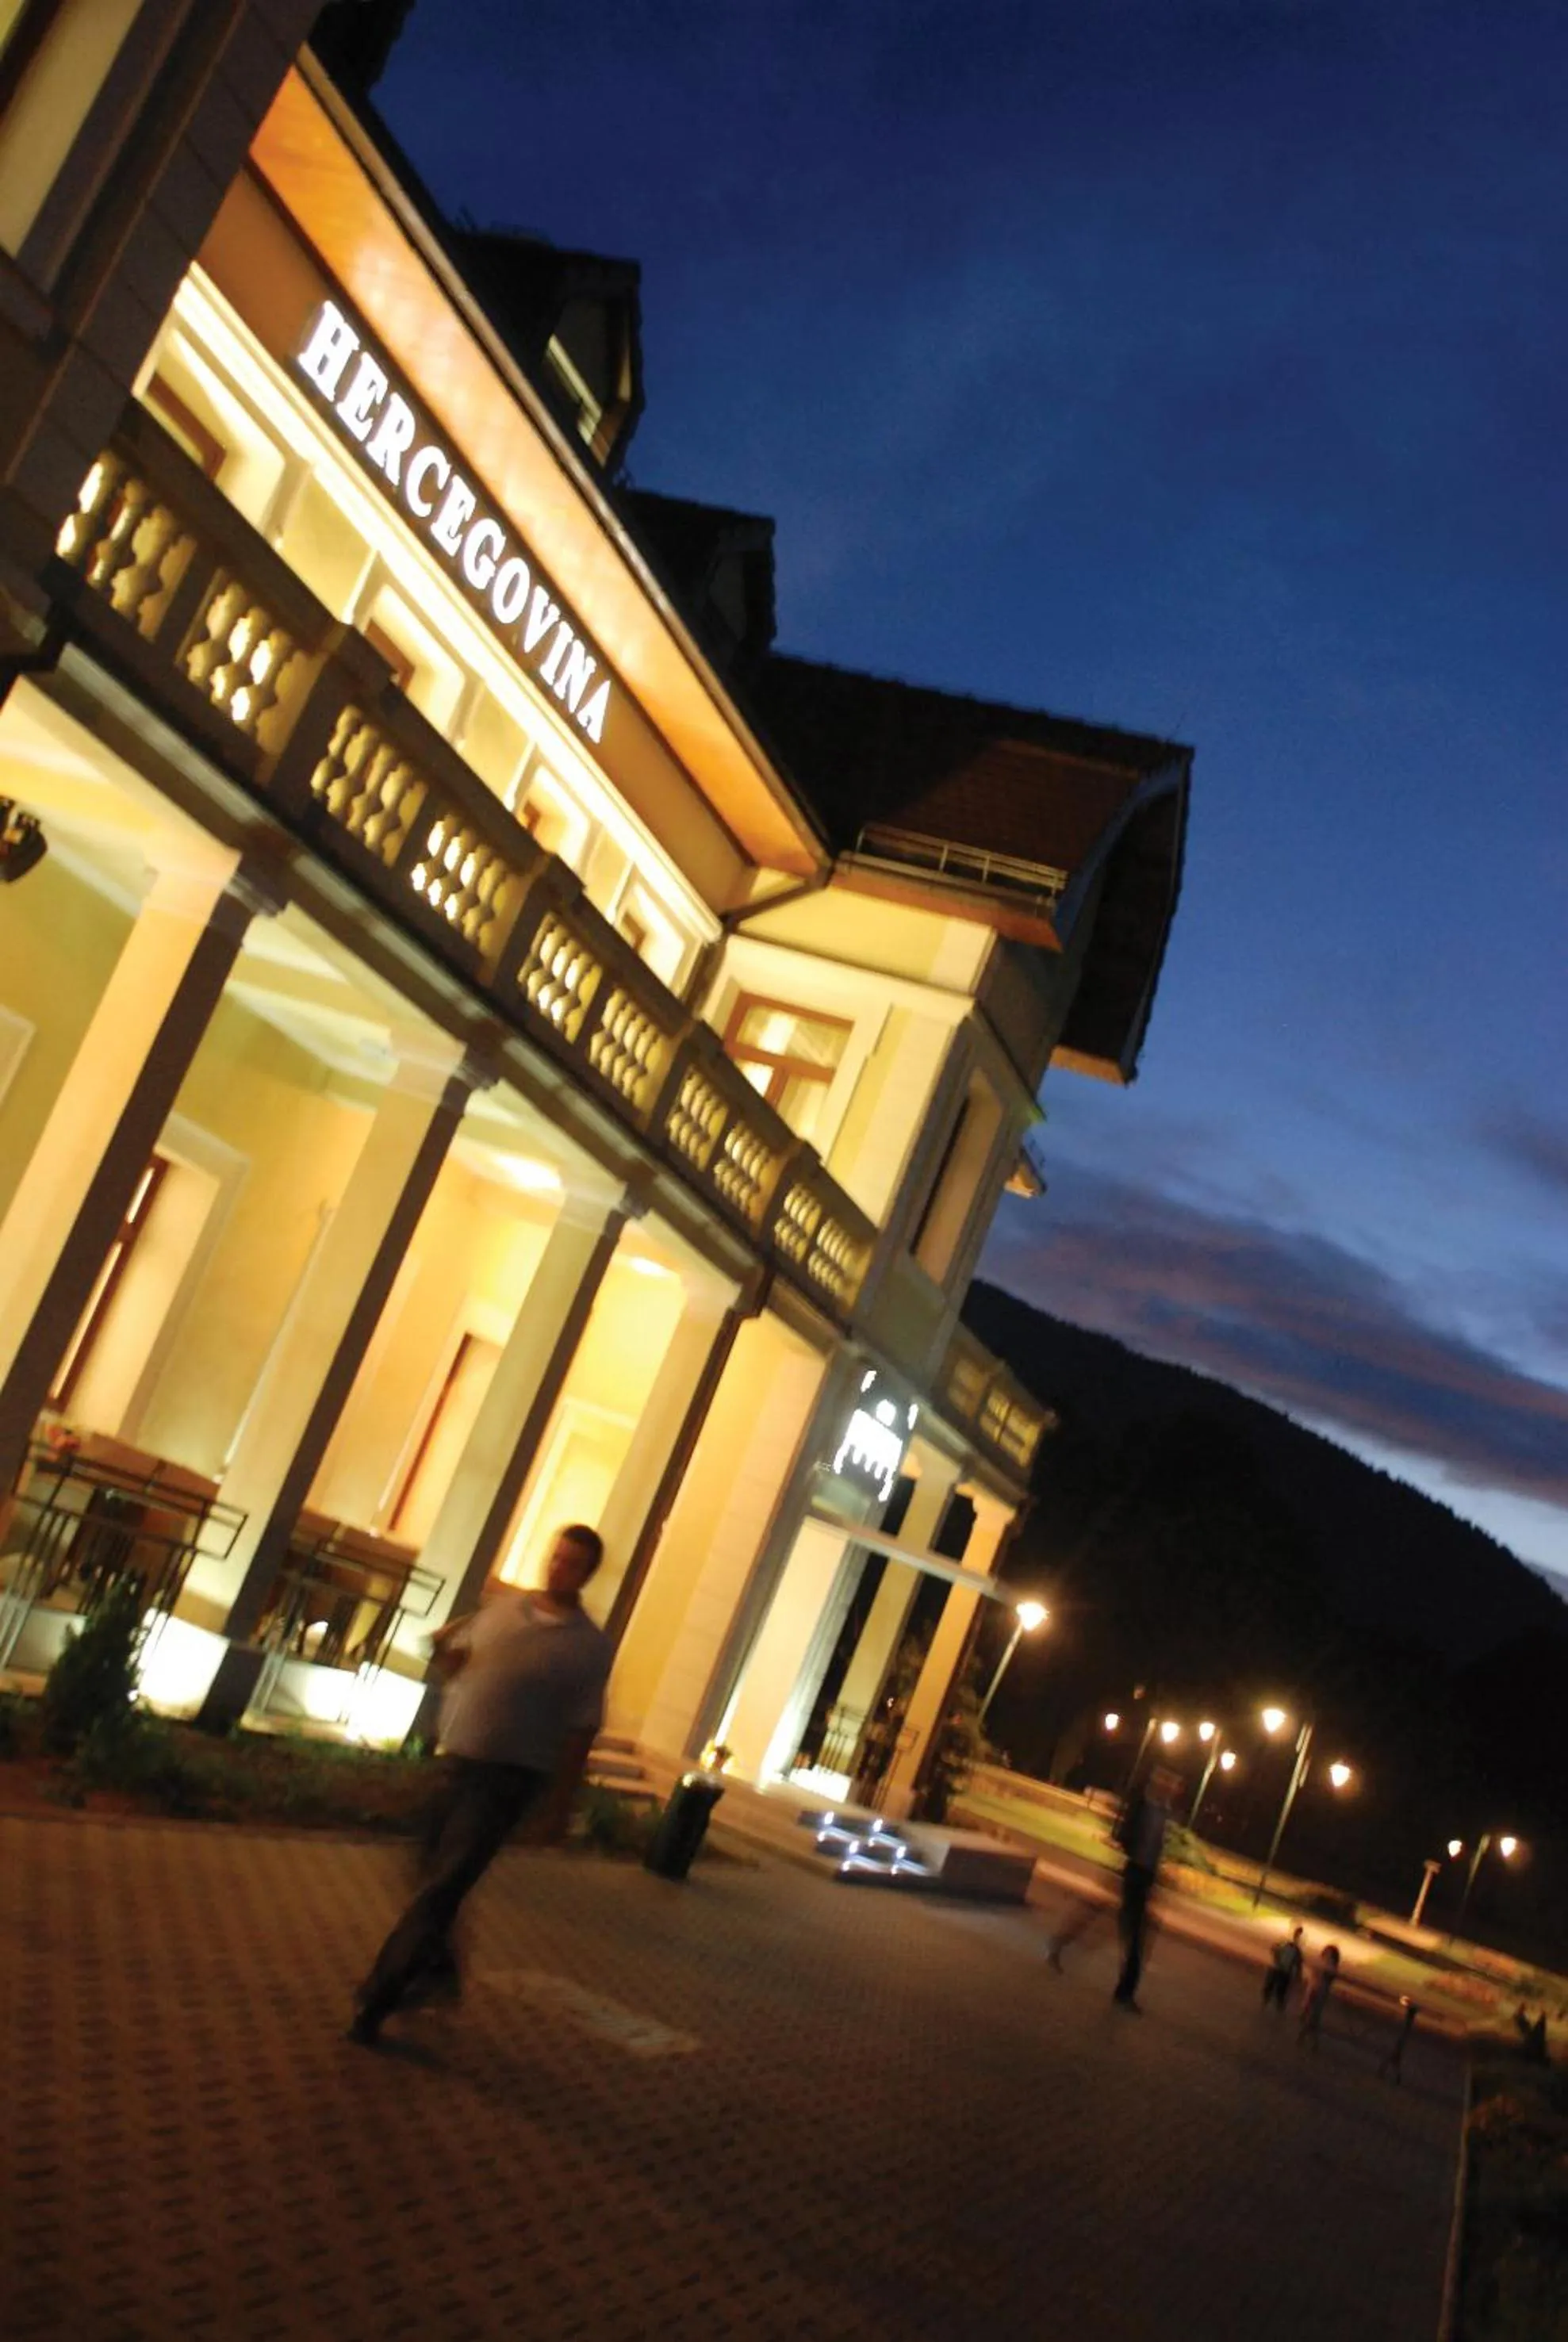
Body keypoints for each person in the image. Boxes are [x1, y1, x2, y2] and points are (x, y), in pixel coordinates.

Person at [347, 1524, 611, 2047]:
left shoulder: (587, 1647)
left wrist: (560, 1804)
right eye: (555, 1557)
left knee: (441, 1888)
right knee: (426, 1869)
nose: (558, 1568)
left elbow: (582, 1728)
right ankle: (439, 1969)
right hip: (458, 1760)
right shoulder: (502, 1610)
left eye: (571, 1563)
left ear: (587, 1573)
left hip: (509, 1779)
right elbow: (458, 1663)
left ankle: (379, 1996)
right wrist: (445, 1650)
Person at [1111, 1765, 1178, 2010]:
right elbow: (1126, 1835)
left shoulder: (1163, 1812)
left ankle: (1125, 1988)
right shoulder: (1144, 1807)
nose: (1171, 1789)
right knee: (1136, 1936)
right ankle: (1125, 1991)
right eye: (1167, 1783)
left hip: (1146, 1876)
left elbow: (1157, 1846)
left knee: (1136, 1935)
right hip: (1135, 1873)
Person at [1297, 1941, 1341, 2049]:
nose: (1327, 1956)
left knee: (1313, 2018)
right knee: (1312, 2018)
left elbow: (1326, 1976)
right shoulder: (1323, 1964)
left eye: (1329, 1954)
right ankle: (1309, 2040)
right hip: (1314, 1991)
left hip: (1319, 1993)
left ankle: (1307, 2039)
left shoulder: (1330, 1968)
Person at [1262, 1923, 1305, 2010]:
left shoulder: (1294, 1948)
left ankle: (1274, 2002)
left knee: (1279, 1989)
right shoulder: (1288, 1944)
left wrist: (1298, 1974)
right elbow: (1274, 1950)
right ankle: (1271, 2001)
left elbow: (1298, 1962)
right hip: (1280, 1969)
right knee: (1275, 1987)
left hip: (1283, 1970)